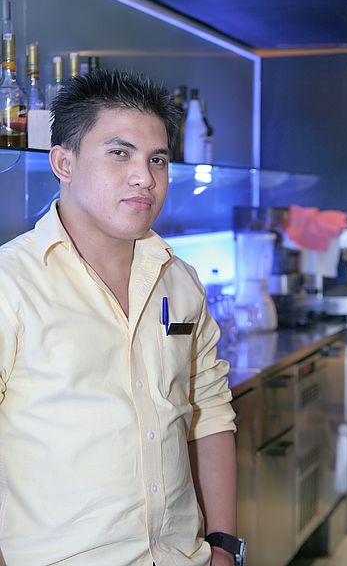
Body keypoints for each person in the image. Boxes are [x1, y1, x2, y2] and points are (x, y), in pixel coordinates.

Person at [0, 70, 239, 566]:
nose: (144, 177)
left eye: (157, 159)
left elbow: (210, 411)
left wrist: (223, 544)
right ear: (64, 162)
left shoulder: (179, 278)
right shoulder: (12, 283)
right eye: (119, 153)